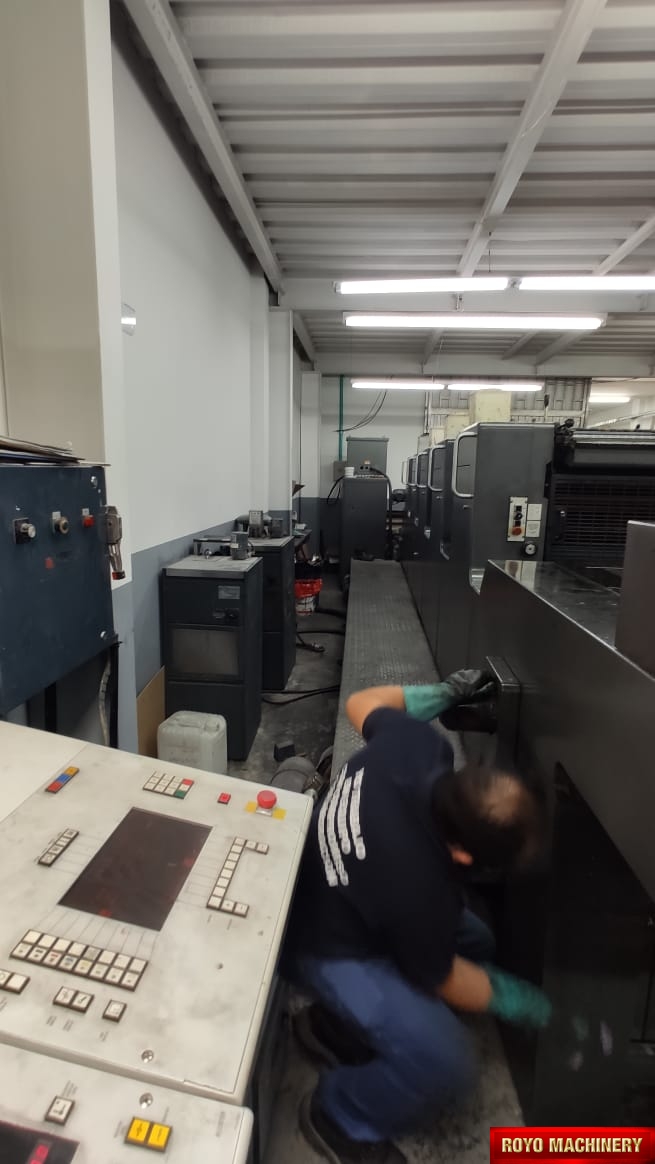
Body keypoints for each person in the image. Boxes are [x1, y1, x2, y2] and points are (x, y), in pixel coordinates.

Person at [282, 672, 551, 1164]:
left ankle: (335, 1028)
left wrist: (439, 694)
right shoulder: (420, 890)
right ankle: (339, 1114)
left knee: (477, 943)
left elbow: (362, 702)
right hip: (318, 943)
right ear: (465, 856)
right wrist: (514, 998)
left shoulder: (419, 745)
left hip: (333, 887)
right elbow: (446, 979)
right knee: (446, 1062)